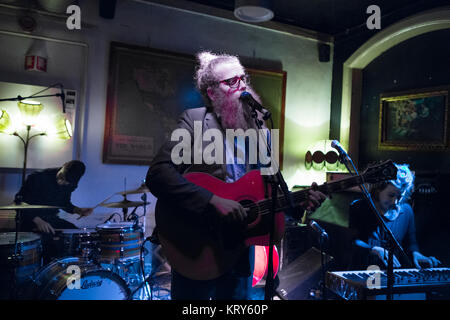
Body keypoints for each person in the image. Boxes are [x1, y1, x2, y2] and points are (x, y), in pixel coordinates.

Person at [145, 51, 326, 300]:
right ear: (212, 92)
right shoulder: (195, 120)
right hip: (196, 244)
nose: (241, 85)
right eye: (231, 81)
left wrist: (298, 204)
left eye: (242, 78)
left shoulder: (258, 127)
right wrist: (212, 200)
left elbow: (272, 190)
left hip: (239, 250)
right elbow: (158, 174)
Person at [348, 163, 441, 270]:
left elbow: (411, 242)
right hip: (363, 270)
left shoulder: (406, 211)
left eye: (400, 196)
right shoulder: (359, 207)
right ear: (378, 190)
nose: (396, 202)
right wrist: (374, 249)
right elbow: (353, 242)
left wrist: (416, 253)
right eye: (391, 195)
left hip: (391, 272)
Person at [15, 160, 93, 262]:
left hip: (51, 219)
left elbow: (64, 203)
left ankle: (68, 268)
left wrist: (78, 210)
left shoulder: (70, 184)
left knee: (76, 235)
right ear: (63, 166)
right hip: (29, 220)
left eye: (66, 182)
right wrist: (37, 220)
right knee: (48, 243)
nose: (61, 182)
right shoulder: (38, 178)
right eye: (62, 177)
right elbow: (19, 202)